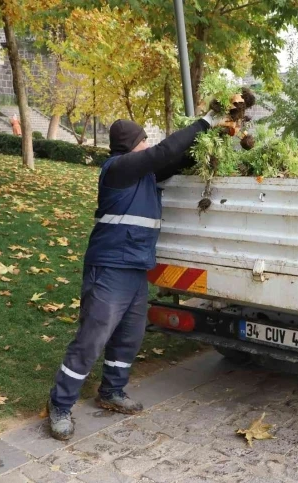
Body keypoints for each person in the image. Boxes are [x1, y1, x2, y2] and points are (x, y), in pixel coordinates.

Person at [47, 111, 224, 441]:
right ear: (131, 146)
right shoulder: (119, 169)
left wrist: (216, 137)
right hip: (110, 267)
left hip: (134, 268)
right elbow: (164, 153)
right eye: (143, 140)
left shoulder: (144, 174)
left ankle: (112, 391)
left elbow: (177, 158)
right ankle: (60, 404)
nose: (149, 145)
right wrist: (206, 121)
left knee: (130, 335)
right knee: (92, 338)